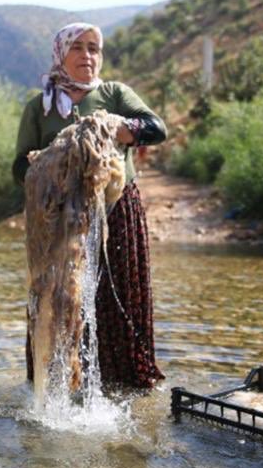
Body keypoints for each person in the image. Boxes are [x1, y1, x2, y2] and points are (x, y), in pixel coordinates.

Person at [12, 22, 167, 389]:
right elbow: (19, 165)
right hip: (59, 222)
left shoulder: (113, 94)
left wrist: (121, 128)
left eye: (94, 48)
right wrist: (46, 164)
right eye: (78, 47)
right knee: (59, 298)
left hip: (115, 212)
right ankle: (61, 381)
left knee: (119, 298)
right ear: (61, 54)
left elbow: (156, 128)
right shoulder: (41, 107)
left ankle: (126, 382)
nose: (87, 55)